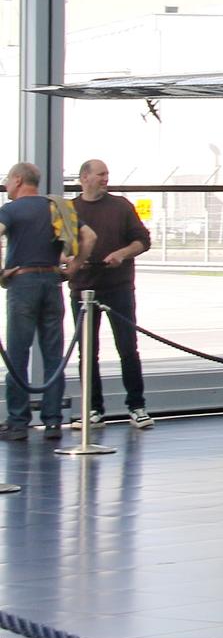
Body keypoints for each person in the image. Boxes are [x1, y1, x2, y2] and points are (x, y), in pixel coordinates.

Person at [0, 162, 92, 441]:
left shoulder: (11, 210)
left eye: (7, 180)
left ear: (18, 180)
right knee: (53, 355)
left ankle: (18, 423)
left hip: (23, 283)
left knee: (18, 353)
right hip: (52, 283)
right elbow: (89, 236)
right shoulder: (58, 207)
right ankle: (53, 422)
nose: (6, 185)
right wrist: (74, 267)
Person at [67, 160, 155, 430]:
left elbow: (143, 240)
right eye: (100, 174)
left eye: (107, 174)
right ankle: (92, 409)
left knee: (128, 348)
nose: (106, 179)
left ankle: (137, 406)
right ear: (84, 178)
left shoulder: (121, 207)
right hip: (83, 289)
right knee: (87, 352)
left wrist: (122, 254)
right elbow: (60, 243)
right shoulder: (70, 210)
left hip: (118, 288)